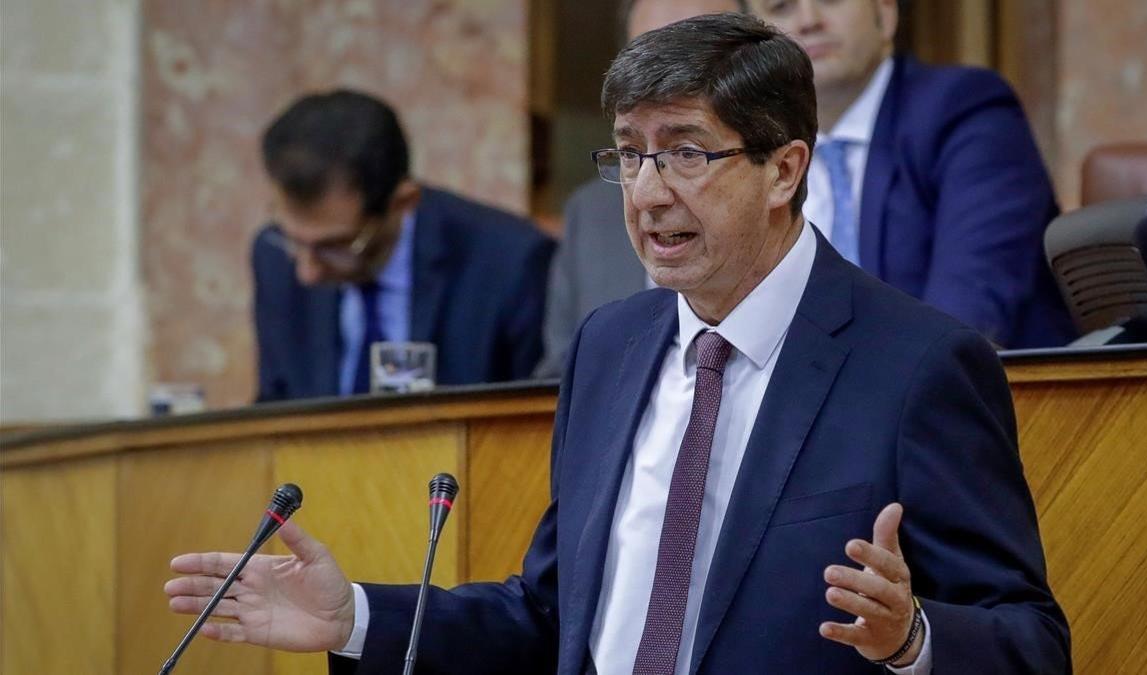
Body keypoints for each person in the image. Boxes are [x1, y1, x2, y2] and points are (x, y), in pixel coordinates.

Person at [166, 14, 1070, 674]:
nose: (644, 193)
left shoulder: (917, 364)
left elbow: (1032, 640)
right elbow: (549, 616)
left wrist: (913, 638)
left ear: (784, 169)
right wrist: (355, 616)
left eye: (685, 153)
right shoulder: (611, 344)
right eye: (628, 154)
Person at [749, 0, 1074, 349]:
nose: (808, 21)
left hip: (988, 395)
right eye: (781, 7)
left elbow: (964, 323)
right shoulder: (750, 150)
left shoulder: (964, 110)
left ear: (885, 13)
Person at [252, 89, 555, 401]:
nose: (308, 273)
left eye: (336, 246)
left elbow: (530, 429)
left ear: (403, 202)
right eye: (294, 241)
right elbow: (275, 405)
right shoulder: (272, 256)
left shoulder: (510, 261)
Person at [535, 0, 747, 378]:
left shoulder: (789, 192)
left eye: (695, 59)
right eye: (650, 58)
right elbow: (558, 385)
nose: (648, 194)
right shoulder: (591, 213)